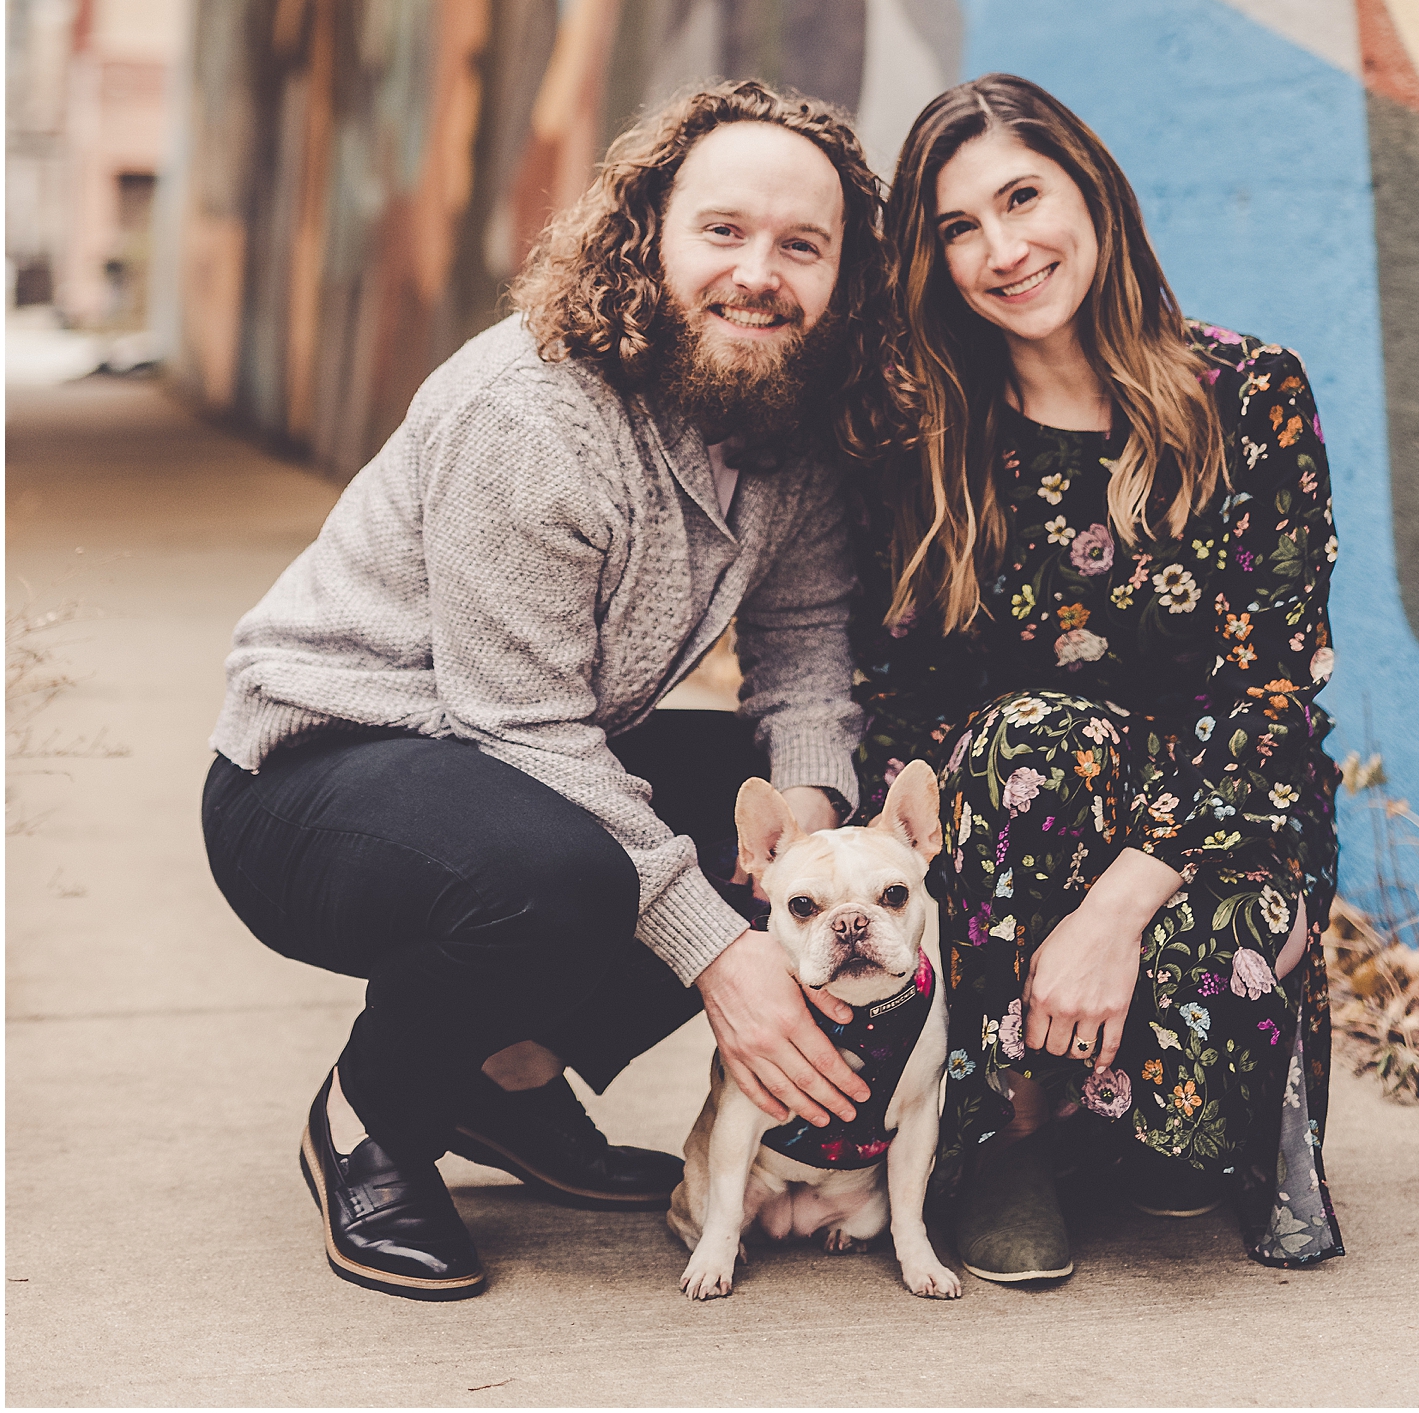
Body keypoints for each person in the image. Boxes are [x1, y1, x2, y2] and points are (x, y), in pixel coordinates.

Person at [203, 80, 896, 1301]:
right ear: (650, 237)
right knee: (566, 872)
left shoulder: (788, 419)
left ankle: (507, 1079)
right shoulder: (533, 414)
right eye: (723, 232)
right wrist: (724, 959)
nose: (760, 274)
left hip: (499, 771)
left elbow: (801, 645)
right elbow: (518, 730)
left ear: (845, 277)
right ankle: (371, 1117)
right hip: (312, 785)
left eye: (803, 245)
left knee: (737, 808)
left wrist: (811, 826)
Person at [851, 74, 1343, 1283]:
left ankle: (1203, 1114)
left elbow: (1271, 693)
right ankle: (1010, 1131)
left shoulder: (1248, 393)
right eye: (958, 228)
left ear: (1093, 191)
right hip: (1010, 835)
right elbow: (902, 707)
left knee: (1179, 1121)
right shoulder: (923, 438)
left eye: (1023, 197)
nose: (1002, 250)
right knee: (1037, 735)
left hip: (1218, 819)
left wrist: (1116, 911)